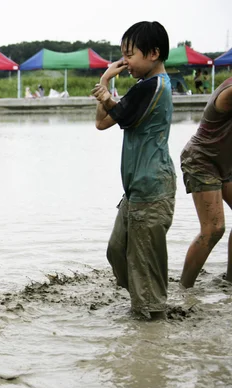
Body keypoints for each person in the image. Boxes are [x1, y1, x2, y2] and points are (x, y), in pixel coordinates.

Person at [92, 21, 176, 319]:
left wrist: (105, 93)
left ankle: (151, 322)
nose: (125, 61)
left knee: (143, 263)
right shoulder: (145, 86)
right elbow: (102, 122)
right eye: (123, 54)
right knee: (117, 251)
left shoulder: (154, 86)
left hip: (151, 187)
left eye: (130, 54)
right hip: (138, 188)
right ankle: (147, 304)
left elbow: (120, 116)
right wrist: (105, 84)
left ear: (153, 53)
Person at [179, 78, 232, 288]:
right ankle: (185, 289)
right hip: (202, 159)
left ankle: (229, 283)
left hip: (226, 162)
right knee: (214, 228)